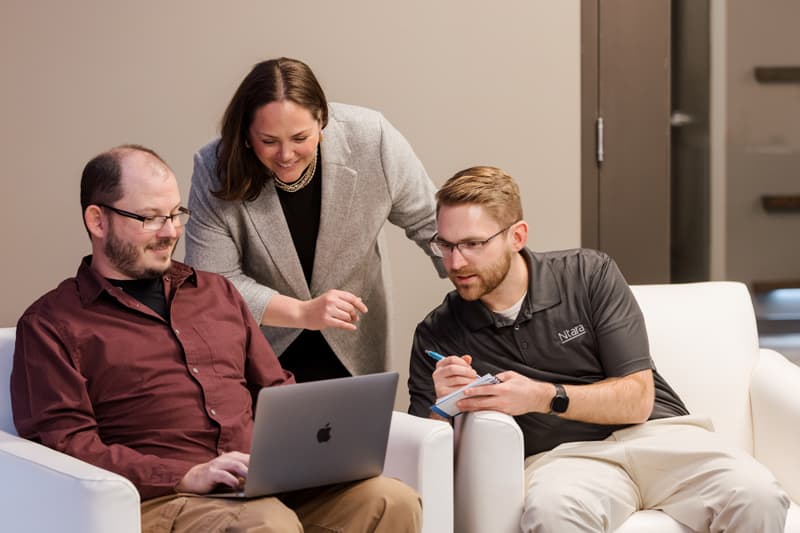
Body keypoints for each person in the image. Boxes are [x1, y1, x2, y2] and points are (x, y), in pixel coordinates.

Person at [11, 145, 421, 533]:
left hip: (255, 481)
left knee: (391, 500)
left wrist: (313, 450)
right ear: (98, 220)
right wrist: (184, 475)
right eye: (150, 218)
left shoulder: (216, 293)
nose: (170, 232)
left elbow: (275, 390)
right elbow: (66, 443)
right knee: (266, 524)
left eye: (176, 214)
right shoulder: (52, 324)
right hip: (160, 496)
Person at [408, 165, 789, 532]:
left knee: (759, 496)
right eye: (445, 244)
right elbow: (428, 464)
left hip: (659, 435)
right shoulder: (438, 333)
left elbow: (638, 398)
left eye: (473, 244)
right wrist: (445, 407)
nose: (455, 262)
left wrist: (542, 396)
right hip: (563, 460)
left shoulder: (587, 274)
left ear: (517, 236)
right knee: (552, 513)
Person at [185, 57, 443, 383]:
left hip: (354, 346)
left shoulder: (372, 138)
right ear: (247, 134)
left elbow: (433, 224)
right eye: (268, 141)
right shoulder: (215, 167)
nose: (286, 155)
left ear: (322, 121)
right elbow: (212, 283)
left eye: (299, 138)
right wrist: (302, 313)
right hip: (261, 350)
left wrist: (482, 280)